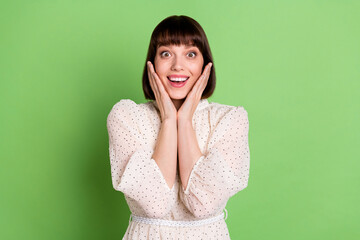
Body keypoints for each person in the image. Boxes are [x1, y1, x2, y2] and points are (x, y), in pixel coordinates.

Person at [106, 15, 250, 240]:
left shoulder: (230, 119)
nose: (177, 65)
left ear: (205, 64)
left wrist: (183, 121)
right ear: (152, 63)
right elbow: (155, 204)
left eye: (191, 54)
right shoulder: (127, 117)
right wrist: (168, 121)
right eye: (166, 53)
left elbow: (203, 204)